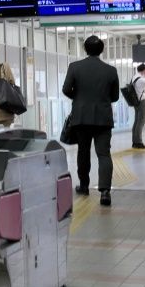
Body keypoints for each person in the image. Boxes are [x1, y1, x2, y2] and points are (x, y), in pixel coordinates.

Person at [62, 34, 120, 207]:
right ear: (101, 50)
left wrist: (78, 98)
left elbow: (66, 89)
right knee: (103, 154)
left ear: (85, 49)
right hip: (103, 118)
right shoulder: (110, 70)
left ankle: (85, 186)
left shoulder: (75, 67)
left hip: (81, 117)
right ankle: (105, 192)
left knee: (83, 151)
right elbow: (115, 97)